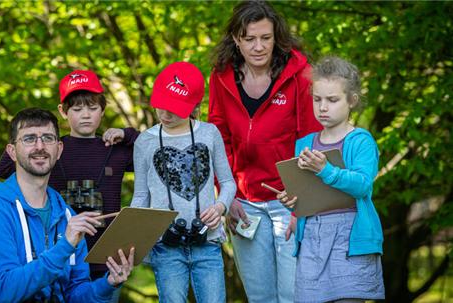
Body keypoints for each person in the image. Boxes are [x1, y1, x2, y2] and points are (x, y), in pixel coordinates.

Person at [208, 1, 322, 302]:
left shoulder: (300, 74)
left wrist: (304, 205)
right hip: (244, 204)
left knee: (294, 294)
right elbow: (218, 140)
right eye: (249, 39)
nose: (258, 47)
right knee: (260, 297)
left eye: (266, 38)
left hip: (290, 200)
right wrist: (226, 195)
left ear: (276, 37)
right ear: (236, 39)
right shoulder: (221, 76)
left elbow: (309, 139)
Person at [0, 107, 135, 302]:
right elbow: (8, 289)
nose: (40, 146)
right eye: (29, 139)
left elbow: (74, 293)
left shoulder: (67, 216)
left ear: (59, 149)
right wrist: (65, 246)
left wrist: (107, 284)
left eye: (48, 138)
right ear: (12, 152)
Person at [0, 70, 138, 296]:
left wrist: (127, 134)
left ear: (103, 109)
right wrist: (38, 139)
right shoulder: (52, 149)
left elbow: (155, 152)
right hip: (63, 255)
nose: (86, 115)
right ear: (63, 111)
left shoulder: (115, 150)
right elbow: (3, 168)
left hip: (106, 258)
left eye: (92, 108)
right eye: (77, 109)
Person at [277, 56, 385, 302]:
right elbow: (306, 194)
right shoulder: (304, 144)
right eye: (317, 99)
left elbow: (363, 186)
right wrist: (292, 204)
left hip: (350, 240)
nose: (322, 107)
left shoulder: (360, 140)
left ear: (352, 101)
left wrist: (327, 170)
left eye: (332, 100)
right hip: (313, 240)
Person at [131, 61, 236, 303]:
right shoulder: (145, 141)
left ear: (194, 105)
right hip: (164, 246)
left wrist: (220, 207)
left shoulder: (209, 133)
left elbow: (228, 182)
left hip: (207, 242)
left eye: (175, 109)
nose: (166, 114)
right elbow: (141, 196)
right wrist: (134, 236)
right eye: (161, 107)